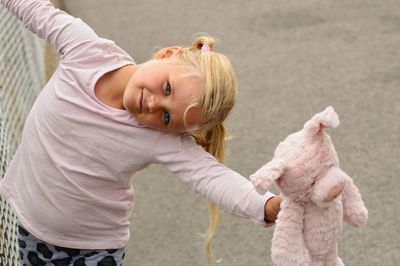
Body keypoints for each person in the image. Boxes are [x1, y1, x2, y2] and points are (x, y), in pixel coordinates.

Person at [0, 0, 282, 265]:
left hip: (95, 249)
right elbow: (35, 8)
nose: (155, 104)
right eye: (168, 88)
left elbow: (213, 177)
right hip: (31, 228)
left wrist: (266, 205)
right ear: (167, 53)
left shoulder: (159, 137)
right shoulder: (86, 51)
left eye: (168, 116)